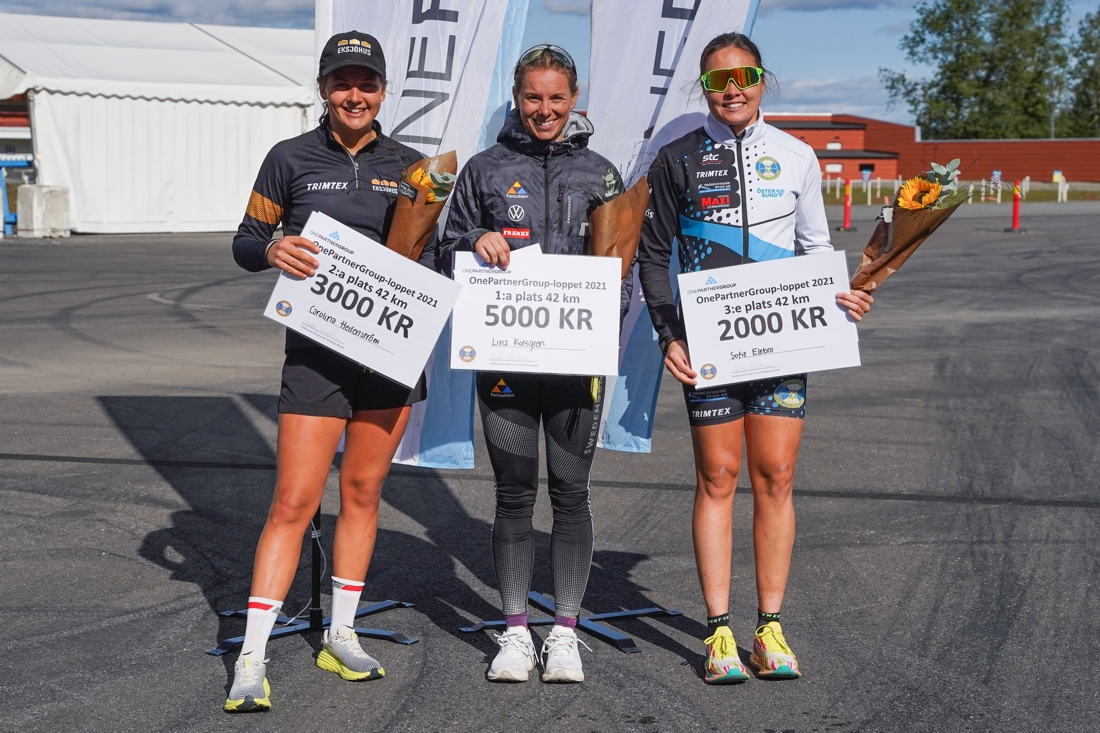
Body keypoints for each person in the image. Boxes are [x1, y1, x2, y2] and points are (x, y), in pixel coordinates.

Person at [637, 32, 873, 685]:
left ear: (763, 79)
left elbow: (815, 249)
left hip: (782, 340)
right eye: (719, 80)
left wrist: (842, 300)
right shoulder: (675, 158)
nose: (733, 88)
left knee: (776, 475)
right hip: (709, 344)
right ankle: (719, 631)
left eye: (744, 76)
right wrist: (668, 333)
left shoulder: (797, 157)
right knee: (718, 475)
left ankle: (770, 627)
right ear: (705, 88)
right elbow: (651, 255)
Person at [224, 31, 437, 712]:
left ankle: (341, 631)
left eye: (367, 83)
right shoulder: (288, 158)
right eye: (343, 82)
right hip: (316, 354)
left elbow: (437, 249)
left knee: (365, 491)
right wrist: (273, 249)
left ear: (382, 92)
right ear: (323, 88)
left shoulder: (412, 166)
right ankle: (251, 653)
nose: (355, 94)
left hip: (391, 354)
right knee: (293, 500)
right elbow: (244, 241)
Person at [439, 44, 625, 684]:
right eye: (532, 97)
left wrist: (603, 327)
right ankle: (516, 632)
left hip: (576, 368)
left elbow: (621, 272)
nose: (544, 109)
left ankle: (565, 634)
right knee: (514, 494)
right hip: (505, 365)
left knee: (571, 494)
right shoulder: (486, 170)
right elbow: (446, 249)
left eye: (556, 97)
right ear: (517, 98)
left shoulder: (602, 174)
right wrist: (471, 240)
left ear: (574, 99)